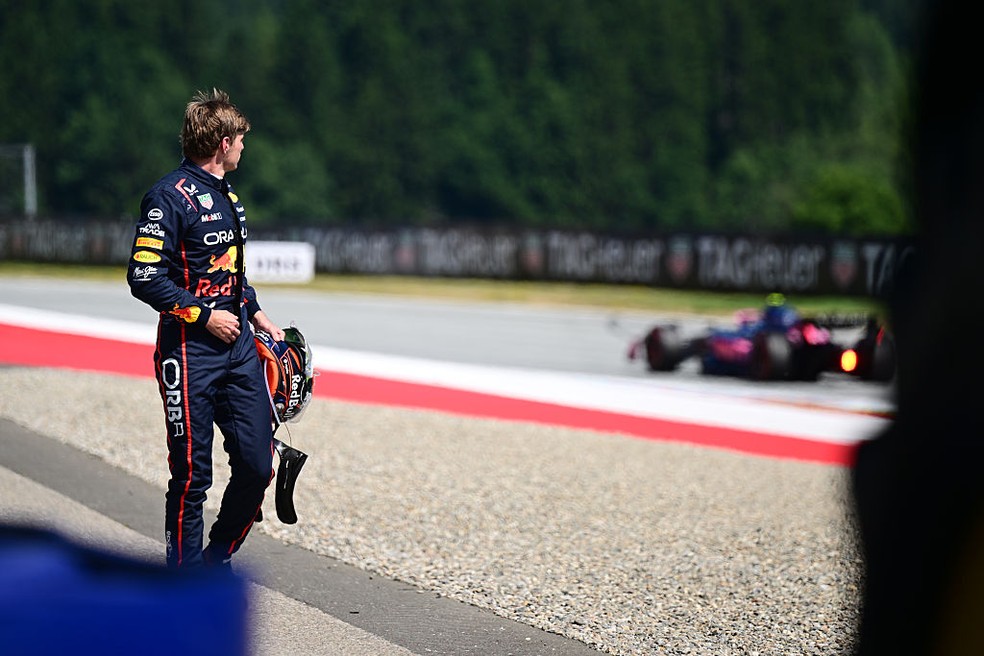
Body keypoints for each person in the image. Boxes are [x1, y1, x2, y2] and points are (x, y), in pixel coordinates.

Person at [127, 88, 284, 569]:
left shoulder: (227, 196)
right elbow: (144, 276)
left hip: (237, 348)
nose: (243, 147)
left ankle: (215, 559)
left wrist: (257, 315)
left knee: (258, 466)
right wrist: (204, 315)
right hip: (188, 350)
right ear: (222, 142)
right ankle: (183, 585)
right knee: (193, 476)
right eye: (240, 139)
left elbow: (228, 271)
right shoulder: (166, 197)